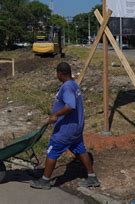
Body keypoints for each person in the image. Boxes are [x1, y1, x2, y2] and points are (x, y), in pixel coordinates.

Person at [30, 62, 100, 190]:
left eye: (57, 73)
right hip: (76, 127)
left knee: (52, 151)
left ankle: (45, 180)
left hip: (66, 130)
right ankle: (91, 177)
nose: (57, 75)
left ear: (60, 74)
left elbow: (70, 105)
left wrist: (55, 115)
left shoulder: (67, 87)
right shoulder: (74, 84)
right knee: (80, 149)